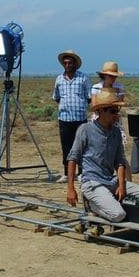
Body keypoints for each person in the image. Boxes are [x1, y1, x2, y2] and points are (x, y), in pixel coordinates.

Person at [66, 91, 139, 223]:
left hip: (111, 181)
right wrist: (70, 188)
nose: (116, 115)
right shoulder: (85, 130)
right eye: (112, 111)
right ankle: (93, 206)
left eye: (117, 111)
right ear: (100, 111)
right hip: (92, 182)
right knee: (118, 215)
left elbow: (120, 162)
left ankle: (109, 203)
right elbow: (73, 158)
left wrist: (122, 185)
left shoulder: (116, 132)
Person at [53, 49, 92, 184]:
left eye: (70, 62)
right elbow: (56, 97)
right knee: (66, 146)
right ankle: (66, 173)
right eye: (66, 63)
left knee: (82, 146)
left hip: (80, 118)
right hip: (64, 118)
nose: (68, 65)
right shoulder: (59, 79)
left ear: (75, 64)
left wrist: (80, 106)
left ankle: (82, 173)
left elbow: (89, 97)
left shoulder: (83, 78)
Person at [91, 60, 131, 181]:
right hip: (99, 119)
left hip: (115, 121)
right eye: (110, 75)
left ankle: (127, 182)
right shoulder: (96, 87)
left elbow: (119, 106)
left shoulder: (119, 87)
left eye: (114, 76)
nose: (113, 78)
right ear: (104, 75)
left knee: (120, 154)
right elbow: (94, 105)